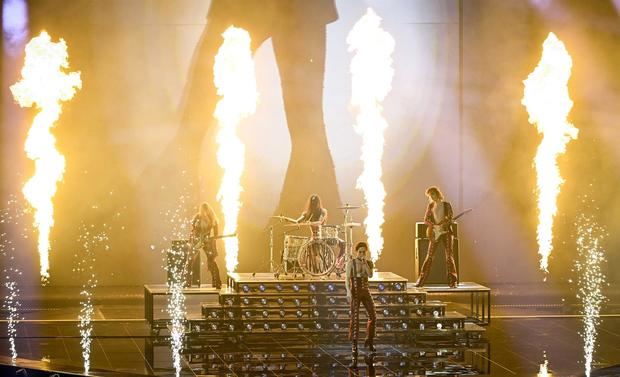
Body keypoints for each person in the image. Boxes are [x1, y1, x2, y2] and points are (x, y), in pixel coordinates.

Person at [415, 186, 458, 288]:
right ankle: (421, 281)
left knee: (449, 257)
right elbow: (426, 219)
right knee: (429, 256)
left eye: (433, 194)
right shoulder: (430, 206)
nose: (432, 197)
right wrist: (434, 226)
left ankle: (453, 282)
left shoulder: (446, 205)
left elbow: (450, 216)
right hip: (435, 233)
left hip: (446, 232)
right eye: (430, 195)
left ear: (437, 194)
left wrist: (445, 222)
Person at [345, 241, 377, 368]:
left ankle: (369, 341)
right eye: (360, 252)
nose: (362, 254)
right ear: (356, 252)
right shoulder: (351, 263)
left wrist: (365, 263)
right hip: (356, 291)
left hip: (365, 290)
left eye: (364, 252)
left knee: (373, 316)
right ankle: (354, 344)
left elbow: (370, 275)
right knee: (355, 318)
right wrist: (348, 292)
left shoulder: (368, 263)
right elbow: (347, 279)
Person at [190, 202, 222, 289]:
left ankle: (217, 282)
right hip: (199, 240)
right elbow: (193, 229)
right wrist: (194, 240)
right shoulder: (198, 217)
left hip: (207, 241)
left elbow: (216, 233)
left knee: (211, 261)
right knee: (190, 259)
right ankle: (186, 282)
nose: (204, 213)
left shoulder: (212, 218)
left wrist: (212, 239)